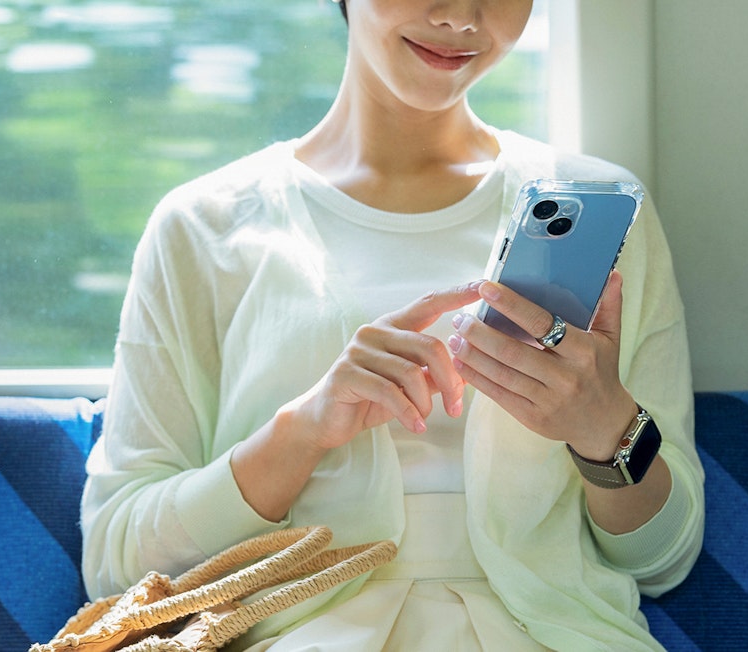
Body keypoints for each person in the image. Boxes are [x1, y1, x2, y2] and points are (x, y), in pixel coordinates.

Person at [80, 0, 705, 649]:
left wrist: (606, 431)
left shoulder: (603, 210)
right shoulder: (204, 227)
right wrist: (303, 430)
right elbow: (116, 562)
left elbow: (663, 560)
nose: (464, 17)